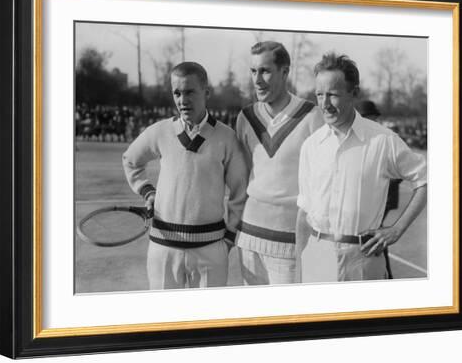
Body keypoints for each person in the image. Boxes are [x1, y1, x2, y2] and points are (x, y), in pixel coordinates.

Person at [295, 53, 427, 282]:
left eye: (333, 95)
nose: (324, 104)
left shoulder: (383, 140)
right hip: (315, 260)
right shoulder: (311, 146)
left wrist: (397, 229)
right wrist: (299, 269)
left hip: (362, 262)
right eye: (319, 94)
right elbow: (304, 212)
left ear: (353, 93)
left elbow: (426, 179)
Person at [122, 61, 248, 290]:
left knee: (208, 322)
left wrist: (229, 237)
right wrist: (148, 191)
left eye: (190, 91)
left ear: (206, 93)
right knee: (164, 322)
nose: (182, 99)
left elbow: (240, 191)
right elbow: (130, 160)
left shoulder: (226, 137)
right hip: (163, 249)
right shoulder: (160, 131)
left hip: (210, 249)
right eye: (177, 93)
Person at [235, 41, 324, 285]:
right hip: (249, 237)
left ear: (284, 72)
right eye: (253, 71)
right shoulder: (246, 117)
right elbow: (240, 178)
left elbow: (322, 185)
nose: (257, 80)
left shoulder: (312, 116)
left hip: (290, 241)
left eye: (265, 71)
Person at [356, 100, 403, 279]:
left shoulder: (384, 138)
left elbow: (400, 171)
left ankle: (384, 276)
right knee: (373, 236)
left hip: (382, 199)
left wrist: (385, 182)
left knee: (373, 236)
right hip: (370, 200)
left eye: (374, 118)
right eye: (371, 118)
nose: (374, 121)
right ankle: (385, 275)